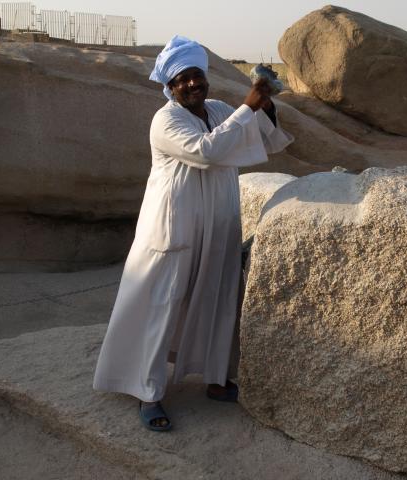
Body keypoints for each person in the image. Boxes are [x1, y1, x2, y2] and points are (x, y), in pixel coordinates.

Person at [93, 35, 294, 431]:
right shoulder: (165, 120)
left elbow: (267, 141)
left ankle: (216, 380)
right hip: (174, 230)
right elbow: (206, 152)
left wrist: (265, 104)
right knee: (161, 308)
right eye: (182, 79)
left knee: (218, 301)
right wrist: (248, 106)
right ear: (169, 86)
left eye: (196, 76)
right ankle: (148, 392)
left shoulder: (218, 109)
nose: (191, 84)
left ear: (206, 79)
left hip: (218, 227)